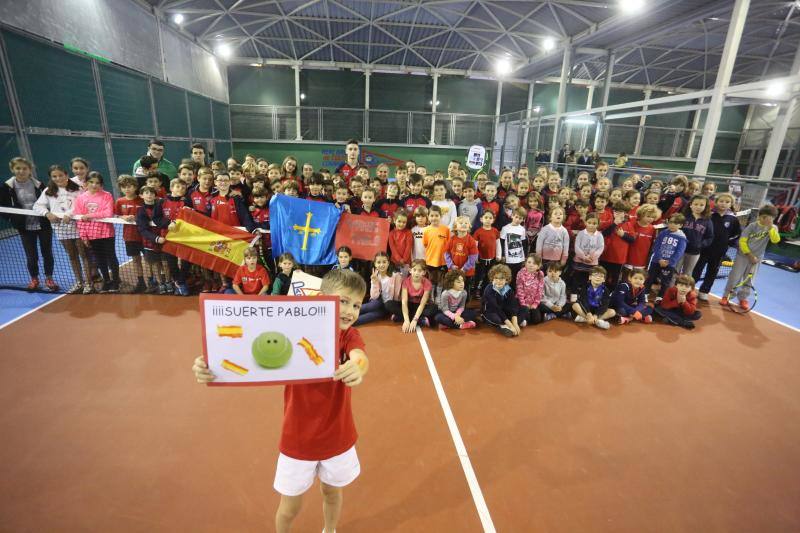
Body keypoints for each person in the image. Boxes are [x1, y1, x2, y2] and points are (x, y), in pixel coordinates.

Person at [193, 269, 369, 533]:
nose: (350, 310)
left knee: (332, 493)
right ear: (322, 298)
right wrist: (210, 365)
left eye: (356, 305)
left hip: (337, 436)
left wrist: (358, 367)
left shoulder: (349, 336)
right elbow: (245, 343)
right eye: (343, 301)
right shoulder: (293, 330)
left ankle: (330, 530)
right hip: (297, 439)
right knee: (289, 509)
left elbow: (359, 357)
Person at [0, 157, 56, 291]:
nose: (21, 171)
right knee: (31, 255)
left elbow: (50, 202)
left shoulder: (40, 185)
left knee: (47, 253)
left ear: (30, 170)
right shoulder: (6, 188)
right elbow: (2, 206)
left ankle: (49, 279)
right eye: (18, 168)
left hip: (43, 225)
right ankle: (34, 279)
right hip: (24, 227)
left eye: (24, 168)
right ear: (12, 169)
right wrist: (12, 219)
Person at [33, 164, 89, 293]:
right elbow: (37, 206)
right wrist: (47, 213)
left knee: (84, 255)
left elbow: (82, 204)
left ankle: (89, 283)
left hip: (78, 227)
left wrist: (69, 214)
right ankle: (79, 282)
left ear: (67, 175)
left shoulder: (78, 189)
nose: (58, 178)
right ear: (51, 178)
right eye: (54, 176)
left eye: (60, 175)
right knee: (72, 256)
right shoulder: (48, 191)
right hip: (61, 229)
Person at [720, 204, 780, 311]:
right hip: (743, 256)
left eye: (769, 218)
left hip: (757, 258)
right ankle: (727, 296)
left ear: (773, 219)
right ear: (759, 216)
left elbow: (775, 240)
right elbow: (742, 241)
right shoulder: (752, 226)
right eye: (764, 217)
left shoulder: (773, 228)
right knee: (734, 277)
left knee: (750, 279)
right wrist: (749, 255)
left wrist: (771, 228)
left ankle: (743, 298)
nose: (766, 220)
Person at [74, 171, 120, 293]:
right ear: (86, 183)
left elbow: (108, 213)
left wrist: (89, 215)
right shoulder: (80, 198)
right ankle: (107, 280)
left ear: (101, 184)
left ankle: (116, 281)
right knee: (100, 259)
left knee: (111, 257)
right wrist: (83, 235)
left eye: (97, 183)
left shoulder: (107, 195)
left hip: (107, 232)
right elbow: (79, 218)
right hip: (91, 234)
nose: (94, 185)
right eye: (91, 182)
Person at [692, 193, 741, 300]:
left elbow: (737, 234)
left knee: (712, 271)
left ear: (731, 204)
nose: (723, 204)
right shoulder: (709, 215)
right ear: (716, 202)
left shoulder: (733, 219)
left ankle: (704, 291)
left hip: (719, 251)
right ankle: (690, 289)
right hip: (704, 249)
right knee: (697, 269)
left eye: (727, 202)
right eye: (721, 201)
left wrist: (727, 242)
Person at [113, 175, 146, 293]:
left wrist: (137, 217)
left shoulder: (142, 199)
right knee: (136, 260)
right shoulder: (119, 201)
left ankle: (154, 281)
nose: (127, 189)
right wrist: (123, 216)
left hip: (145, 236)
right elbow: (115, 215)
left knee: (150, 260)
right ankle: (141, 282)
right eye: (123, 187)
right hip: (129, 236)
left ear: (135, 186)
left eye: (129, 186)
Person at [136, 185, 171, 294]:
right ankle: (160, 283)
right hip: (150, 242)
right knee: (156, 264)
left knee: (166, 263)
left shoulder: (161, 206)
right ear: (141, 196)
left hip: (165, 240)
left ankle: (168, 282)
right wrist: (156, 238)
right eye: (146, 193)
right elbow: (142, 230)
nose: (149, 195)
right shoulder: (141, 211)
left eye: (151, 193)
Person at [386, 259, 436, 332]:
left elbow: (422, 304)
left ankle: (400, 318)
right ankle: (421, 320)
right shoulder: (406, 282)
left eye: (420, 271)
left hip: (419, 306)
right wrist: (406, 321)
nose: (416, 273)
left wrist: (415, 320)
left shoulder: (427, 283)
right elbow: (404, 302)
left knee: (434, 308)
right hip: (408, 305)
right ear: (410, 270)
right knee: (389, 304)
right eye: (414, 270)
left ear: (424, 272)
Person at [355, 252, 402, 325]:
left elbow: (397, 295)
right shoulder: (375, 275)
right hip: (378, 301)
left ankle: (351, 321)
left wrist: (393, 309)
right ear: (375, 264)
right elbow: (374, 296)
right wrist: (374, 282)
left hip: (388, 305)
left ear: (388, 263)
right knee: (373, 305)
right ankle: (344, 312)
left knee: (375, 314)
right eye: (379, 262)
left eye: (384, 262)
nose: (381, 265)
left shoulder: (396, 276)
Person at [647, 213, 687, 298]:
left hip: (669, 264)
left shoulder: (682, 238)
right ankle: (645, 294)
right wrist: (659, 259)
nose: (672, 225)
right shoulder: (663, 233)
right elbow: (656, 246)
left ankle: (660, 298)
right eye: (671, 222)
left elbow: (679, 252)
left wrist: (669, 262)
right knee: (649, 278)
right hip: (656, 261)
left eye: (676, 223)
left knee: (665, 282)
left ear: (680, 225)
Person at [481, 263, 522, 337]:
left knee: (523, 308)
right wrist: (510, 325)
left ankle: (513, 324)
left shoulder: (508, 289)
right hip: (491, 311)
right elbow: (496, 308)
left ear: (506, 279)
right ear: (492, 278)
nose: (498, 281)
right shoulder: (489, 289)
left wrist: (515, 323)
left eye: (501, 279)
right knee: (497, 319)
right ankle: (503, 326)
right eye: (496, 278)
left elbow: (513, 305)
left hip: (503, 310)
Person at [678, 195, 714, 277]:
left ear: (705, 207)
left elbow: (710, 237)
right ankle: (670, 289)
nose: (698, 207)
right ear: (690, 205)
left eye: (702, 205)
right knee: (674, 272)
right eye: (696, 204)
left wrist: (700, 244)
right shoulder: (683, 217)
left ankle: (683, 289)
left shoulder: (708, 221)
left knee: (687, 274)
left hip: (694, 252)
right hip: (679, 250)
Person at [572, 212, 604, 297]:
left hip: (592, 263)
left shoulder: (599, 235)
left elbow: (600, 248)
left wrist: (592, 258)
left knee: (588, 280)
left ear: (598, 224)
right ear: (585, 222)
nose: (591, 225)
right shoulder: (581, 233)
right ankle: (574, 296)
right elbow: (577, 246)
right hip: (580, 261)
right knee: (577, 279)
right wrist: (583, 257)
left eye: (594, 223)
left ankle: (584, 296)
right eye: (589, 223)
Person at [444, 216, 479, 293]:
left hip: (467, 272)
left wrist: (465, 268)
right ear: (455, 226)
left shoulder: (471, 240)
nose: (464, 224)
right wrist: (451, 265)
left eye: (466, 223)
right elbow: (446, 254)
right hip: (453, 270)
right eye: (461, 223)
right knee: (452, 290)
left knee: (465, 291)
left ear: (469, 226)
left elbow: (473, 256)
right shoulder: (452, 239)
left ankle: (464, 304)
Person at [422, 205, 450, 297]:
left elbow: (449, 245)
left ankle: (439, 296)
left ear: (441, 216)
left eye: (436, 215)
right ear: (428, 217)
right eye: (432, 216)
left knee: (441, 279)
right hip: (430, 260)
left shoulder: (446, 229)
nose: (434, 218)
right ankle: (431, 296)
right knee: (431, 279)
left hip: (443, 260)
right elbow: (425, 244)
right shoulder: (426, 230)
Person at [472, 210, 501, 299]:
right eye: (486, 218)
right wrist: (475, 257)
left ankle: (484, 291)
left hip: (491, 259)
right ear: (481, 219)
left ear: (493, 220)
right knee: (479, 275)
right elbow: (475, 245)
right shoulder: (478, 232)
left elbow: (498, 244)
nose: (488, 220)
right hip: (481, 259)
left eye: (490, 218)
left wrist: (498, 255)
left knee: (489, 276)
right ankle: (475, 291)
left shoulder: (495, 231)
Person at [516, 253, 545, 326]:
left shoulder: (540, 274)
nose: (531, 265)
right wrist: (524, 304)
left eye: (534, 263)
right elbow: (520, 291)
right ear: (525, 263)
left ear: (538, 266)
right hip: (521, 301)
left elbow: (540, 291)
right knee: (527, 317)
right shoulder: (520, 273)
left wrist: (535, 304)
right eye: (529, 262)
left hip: (533, 302)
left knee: (536, 320)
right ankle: (523, 317)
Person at [500, 206, 527, 284]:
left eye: (520, 218)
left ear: (523, 219)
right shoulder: (505, 228)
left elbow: (524, 243)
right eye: (516, 217)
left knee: (516, 276)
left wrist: (524, 256)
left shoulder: (522, 229)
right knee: (508, 276)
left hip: (519, 258)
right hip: (508, 258)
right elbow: (501, 242)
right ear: (512, 216)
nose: (518, 219)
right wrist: (503, 255)